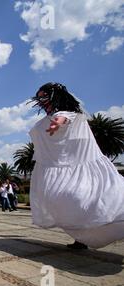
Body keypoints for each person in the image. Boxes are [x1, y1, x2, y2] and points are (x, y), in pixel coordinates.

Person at [29, 82, 124, 250]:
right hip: (59, 167)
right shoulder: (44, 120)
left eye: (44, 96)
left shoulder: (68, 114)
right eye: (39, 97)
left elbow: (64, 118)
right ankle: (81, 239)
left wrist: (56, 123)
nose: (41, 100)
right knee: (66, 204)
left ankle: (85, 237)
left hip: (78, 167)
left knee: (79, 200)